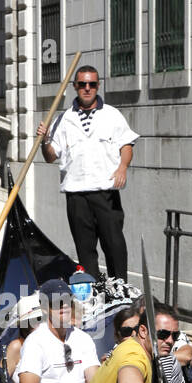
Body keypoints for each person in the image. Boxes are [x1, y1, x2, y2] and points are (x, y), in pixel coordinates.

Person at [36, 65, 138, 280]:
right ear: (75, 87)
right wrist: (44, 139)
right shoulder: (62, 120)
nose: (87, 89)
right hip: (76, 194)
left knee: (114, 246)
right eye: (82, 84)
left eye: (92, 84)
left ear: (98, 86)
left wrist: (123, 167)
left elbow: (126, 145)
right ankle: (92, 293)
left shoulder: (112, 115)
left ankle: (120, 288)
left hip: (105, 193)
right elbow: (50, 156)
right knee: (85, 250)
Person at [13, 278, 100, 383]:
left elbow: (95, 382)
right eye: (57, 302)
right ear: (45, 308)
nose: (64, 306)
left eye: (67, 300)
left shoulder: (84, 339)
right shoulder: (35, 342)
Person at [5, 292, 43, 383]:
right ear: (24, 325)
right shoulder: (16, 347)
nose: (43, 324)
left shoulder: (56, 344)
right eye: (37, 320)